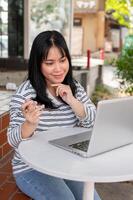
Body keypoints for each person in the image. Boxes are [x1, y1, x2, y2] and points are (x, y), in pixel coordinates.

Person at [7, 30, 101, 200]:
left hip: (66, 163)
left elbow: (93, 122)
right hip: (32, 168)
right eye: (50, 63)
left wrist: (72, 100)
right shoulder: (25, 94)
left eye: (62, 60)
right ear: (38, 64)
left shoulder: (75, 87)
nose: (58, 69)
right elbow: (12, 140)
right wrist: (29, 124)